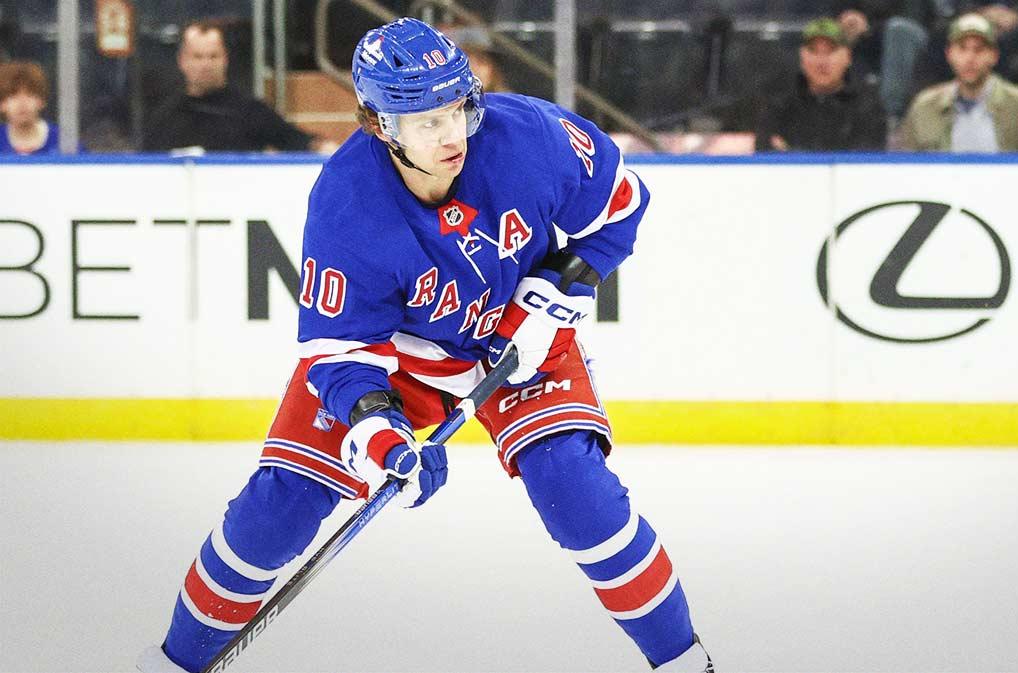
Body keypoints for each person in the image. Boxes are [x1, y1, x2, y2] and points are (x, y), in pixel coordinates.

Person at [136, 17, 713, 673]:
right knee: (276, 512)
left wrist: (557, 290)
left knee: (577, 491)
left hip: (516, 329)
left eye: (457, 109)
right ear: (382, 126)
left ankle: (687, 662)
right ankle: (170, 665)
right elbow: (340, 353)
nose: (451, 135)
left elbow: (620, 206)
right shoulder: (347, 205)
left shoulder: (529, 136)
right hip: (399, 358)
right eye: (426, 121)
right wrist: (381, 435)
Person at [143, 20, 338, 153]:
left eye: (213, 56)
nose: (206, 64)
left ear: (225, 59)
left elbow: (295, 140)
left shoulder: (248, 110)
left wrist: (322, 147)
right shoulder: (164, 116)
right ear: (182, 60)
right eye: (198, 56)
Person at [897, 13, 1018, 151]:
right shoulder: (924, 106)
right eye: (962, 49)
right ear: (949, 54)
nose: (970, 58)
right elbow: (904, 166)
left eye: (979, 49)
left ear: (994, 56)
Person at [755, 17, 887, 152]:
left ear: (847, 56)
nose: (821, 61)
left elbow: (867, 163)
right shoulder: (780, 104)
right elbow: (765, 155)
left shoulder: (867, 105)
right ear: (802, 57)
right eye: (813, 51)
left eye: (830, 51)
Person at [0, 61, 61, 155]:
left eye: (30, 94)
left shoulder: (62, 141)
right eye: (13, 95)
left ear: (41, 100)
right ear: (2, 103)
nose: (22, 103)